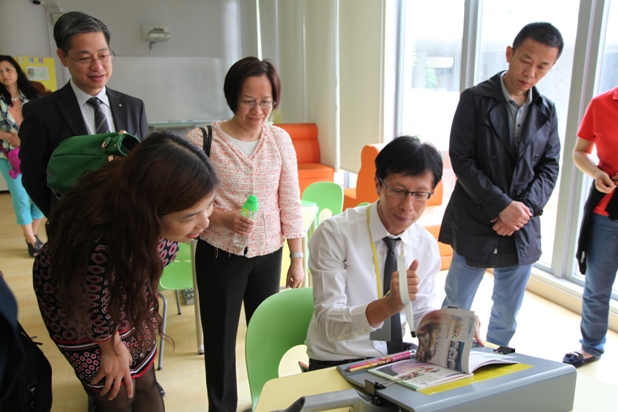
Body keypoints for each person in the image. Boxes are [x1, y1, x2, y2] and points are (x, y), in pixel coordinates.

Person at [32, 132, 218, 412]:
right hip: (76, 305)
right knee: (118, 392)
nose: (204, 222)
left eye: (209, 206)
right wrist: (110, 350)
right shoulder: (102, 241)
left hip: (127, 291)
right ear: (149, 212)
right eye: (190, 216)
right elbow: (94, 305)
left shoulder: (154, 206)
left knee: (144, 379)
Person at [184, 56, 305, 412]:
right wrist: (221, 219)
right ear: (232, 97)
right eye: (248, 101)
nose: (257, 110)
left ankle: (265, 404)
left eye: (266, 101)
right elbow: (186, 202)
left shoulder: (280, 140)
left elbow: (290, 201)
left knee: (265, 337)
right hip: (219, 254)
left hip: (269, 254)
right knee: (220, 343)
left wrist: (297, 258)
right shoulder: (202, 139)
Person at [304, 136, 482, 369]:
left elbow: (420, 315)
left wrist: (452, 323)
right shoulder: (335, 233)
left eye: (420, 194)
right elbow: (329, 323)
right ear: (378, 184)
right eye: (399, 190)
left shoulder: (425, 244)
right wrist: (387, 306)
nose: (408, 206)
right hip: (338, 360)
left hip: (397, 358)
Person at [439, 22, 564, 346]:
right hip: (477, 218)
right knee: (457, 302)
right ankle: (440, 358)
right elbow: (462, 159)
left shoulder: (547, 111)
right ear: (510, 54)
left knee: (508, 310)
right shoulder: (475, 99)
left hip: (521, 225)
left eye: (542, 66)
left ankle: (498, 366)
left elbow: (550, 166)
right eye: (526, 60)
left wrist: (521, 211)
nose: (531, 72)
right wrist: (502, 207)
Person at [19, 11, 149, 217]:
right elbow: (34, 178)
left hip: (129, 218)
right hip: (75, 225)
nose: (97, 66)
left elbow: (144, 163)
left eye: (103, 55)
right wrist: (62, 217)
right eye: (84, 58)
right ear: (63, 57)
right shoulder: (41, 112)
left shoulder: (134, 106)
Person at [563, 86, 618, 367]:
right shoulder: (601, 104)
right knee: (597, 286)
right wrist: (597, 173)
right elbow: (580, 152)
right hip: (606, 210)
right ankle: (591, 346)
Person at [0, 55, 45, 256]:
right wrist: (10, 136)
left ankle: (32, 236)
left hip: (35, 152)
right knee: (20, 197)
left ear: (16, 70)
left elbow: (43, 122)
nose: (5, 75)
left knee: (40, 195)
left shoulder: (33, 95)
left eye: (8, 69)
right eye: (0, 72)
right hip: (8, 157)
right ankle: (32, 241)